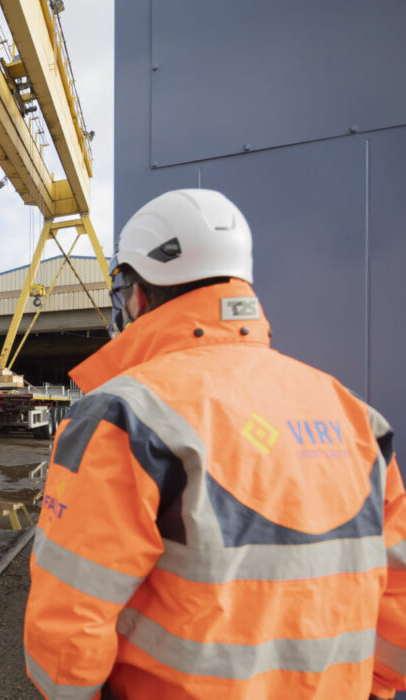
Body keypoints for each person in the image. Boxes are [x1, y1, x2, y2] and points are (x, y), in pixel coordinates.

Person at [23, 189, 406, 699]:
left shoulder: (123, 415)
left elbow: (70, 624)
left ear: (137, 295)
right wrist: (374, 689)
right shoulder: (356, 417)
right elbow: (396, 595)